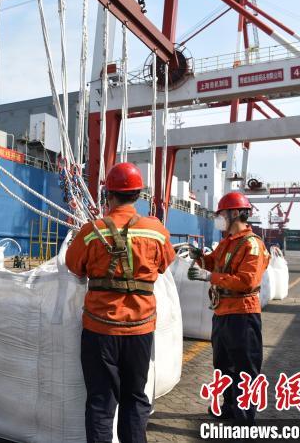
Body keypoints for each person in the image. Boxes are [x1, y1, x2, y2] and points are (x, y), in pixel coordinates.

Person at [65, 162, 176, 443]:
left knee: (101, 402)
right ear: (138, 195)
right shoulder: (156, 231)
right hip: (140, 331)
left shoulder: (92, 231)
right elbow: (164, 264)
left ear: (108, 195)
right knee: (135, 398)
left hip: (100, 330)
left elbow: (74, 266)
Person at [188, 191, 270, 424]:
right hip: (223, 312)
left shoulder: (252, 245)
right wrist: (199, 257)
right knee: (223, 366)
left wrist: (209, 275)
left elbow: (247, 282)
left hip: (243, 314)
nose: (219, 217)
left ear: (235, 214)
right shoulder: (227, 243)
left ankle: (244, 419)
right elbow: (212, 263)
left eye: (221, 213)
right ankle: (230, 408)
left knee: (245, 369)